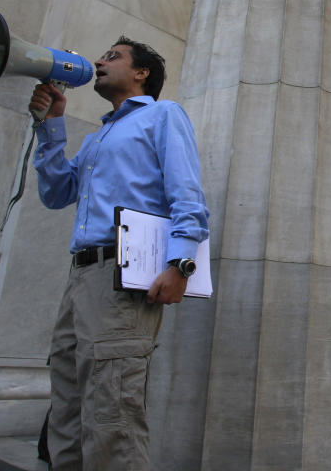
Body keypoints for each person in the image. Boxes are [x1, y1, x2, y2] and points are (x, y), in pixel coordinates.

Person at [30, 36, 209, 469]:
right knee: (69, 403)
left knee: (112, 410)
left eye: (112, 57)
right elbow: (57, 194)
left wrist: (180, 264)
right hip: (82, 278)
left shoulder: (163, 115)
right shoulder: (97, 139)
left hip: (124, 277)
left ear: (141, 72)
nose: (98, 62)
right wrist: (51, 125)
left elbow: (186, 194)